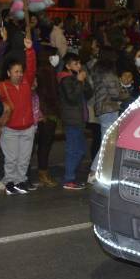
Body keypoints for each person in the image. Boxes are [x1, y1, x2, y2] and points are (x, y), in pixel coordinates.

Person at [0, 38, 37, 195]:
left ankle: (20, 181)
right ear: (8, 73)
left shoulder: (27, 81)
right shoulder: (2, 86)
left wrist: (30, 50)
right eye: (16, 72)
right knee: (11, 159)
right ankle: (9, 181)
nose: (19, 74)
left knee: (24, 159)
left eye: (21, 71)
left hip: (28, 128)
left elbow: (32, 67)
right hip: (10, 129)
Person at [57, 53, 93, 190]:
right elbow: (71, 98)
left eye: (79, 63)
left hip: (79, 119)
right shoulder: (66, 80)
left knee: (81, 149)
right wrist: (78, 81)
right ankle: (69, 178)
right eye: (75, 64)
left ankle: (71, 176)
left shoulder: (76, 78)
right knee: (74, 150)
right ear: (67, 66)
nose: (79, 66)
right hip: (72, 119)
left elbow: (89, 94)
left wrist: (83, 81)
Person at [34, 45, 61, 188]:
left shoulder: (41, 70)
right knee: (45, 144)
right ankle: (43, 172)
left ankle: (42, 171)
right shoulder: (47, 70)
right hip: (47, 112)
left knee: (42, 144)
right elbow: (51, 93)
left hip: (43, 111)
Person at [91, 46, 128, 144]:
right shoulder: (108, 73)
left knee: (106, 139)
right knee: (109, 141)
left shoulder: (99, 71)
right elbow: (115, 94)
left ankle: (104, 158)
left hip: (103, 108)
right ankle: (105, 159)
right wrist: (126, 94)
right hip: (108, 108)